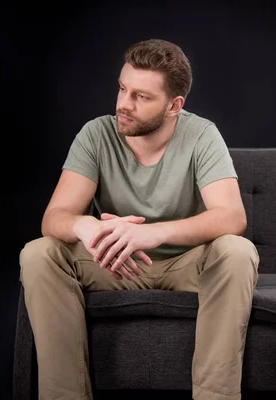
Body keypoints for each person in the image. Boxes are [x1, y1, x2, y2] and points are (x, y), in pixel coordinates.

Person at [19, 38, 259, 400]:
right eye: (122, 89)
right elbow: (55, 217)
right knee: (39, 253)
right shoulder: (96, 134)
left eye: (141, 97)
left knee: (237, 251)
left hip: (184, 264)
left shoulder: (202, 135)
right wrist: (86, 225)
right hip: (112, 263)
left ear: (174, 105)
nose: (123, 105)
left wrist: (154, 234)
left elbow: (232, 217)